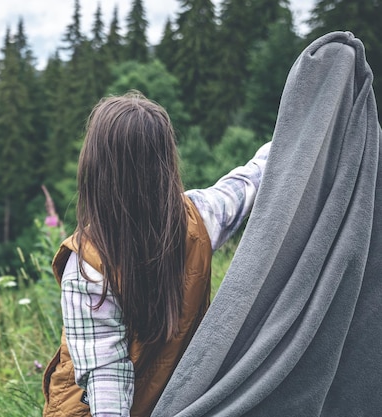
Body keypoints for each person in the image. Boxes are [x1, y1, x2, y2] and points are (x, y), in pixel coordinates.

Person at [42, 91, 271, 417]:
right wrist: (308, 123)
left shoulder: (85, 264)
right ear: (165, 161)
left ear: (95, 168)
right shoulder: (200, 218)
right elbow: (252, 178)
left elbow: (107, 380)